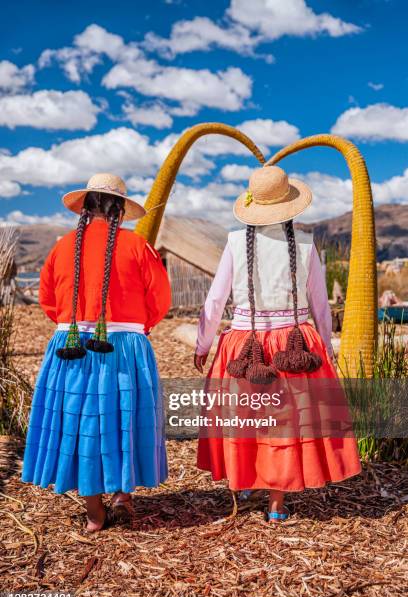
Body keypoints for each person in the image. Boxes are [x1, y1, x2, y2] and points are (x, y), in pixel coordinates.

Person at [194, 166, 361, 523]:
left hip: (243, 345)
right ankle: (276, 504)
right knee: (284, 423)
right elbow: (320, 303)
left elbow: (214, 300)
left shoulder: (235, 242)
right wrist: (327, 347)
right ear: (290, 206)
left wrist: (203, 343)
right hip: (295, 346)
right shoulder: (305, 243)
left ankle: (246, 479)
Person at [22, 173, 171, 532]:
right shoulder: (138, 246)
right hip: (125, 346)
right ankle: (122, 494)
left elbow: (47, 299)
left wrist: (73, 324)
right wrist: (138, 328)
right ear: (119, 209)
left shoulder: (62, 247)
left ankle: (94, 512)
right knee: (123, 417)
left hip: (69, 346)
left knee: (80, 422)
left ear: (86, 207)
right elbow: (160, 299)